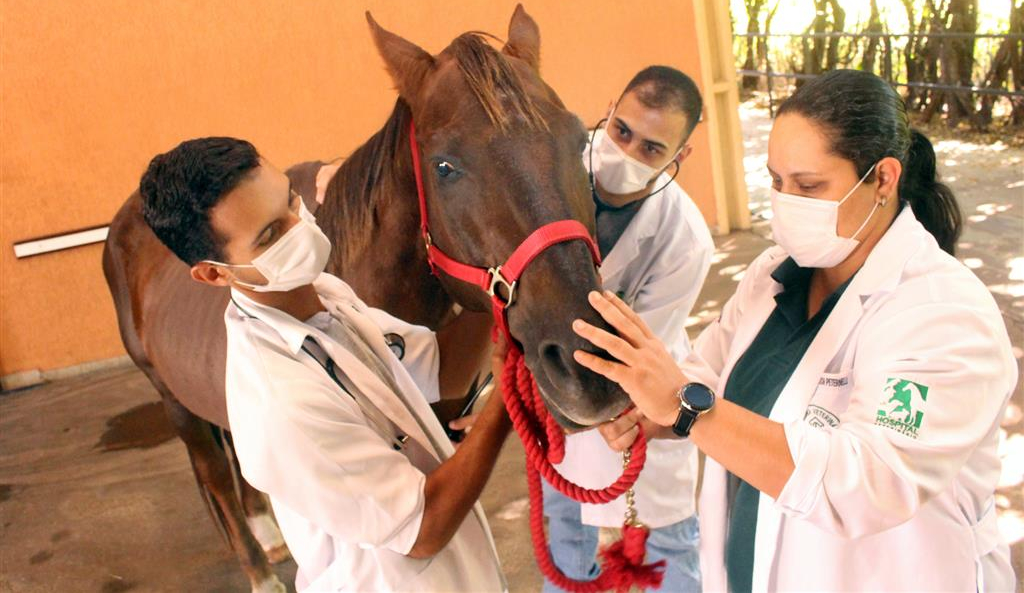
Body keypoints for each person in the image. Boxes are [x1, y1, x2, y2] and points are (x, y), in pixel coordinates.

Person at [572, 70, 1017, 592]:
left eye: (808, 186)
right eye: (777, 181)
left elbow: (870, 484)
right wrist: (651, 413)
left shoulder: (944, 315)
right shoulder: (770, 277)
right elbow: (704, 377)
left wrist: (682, 407)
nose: (786, 201)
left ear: (882, 179)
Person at [139, 137, 509, 592]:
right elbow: (425, 528)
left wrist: (501, 274)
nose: (301, 226)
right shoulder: (282, 403)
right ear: (215, 273)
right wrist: (505, 405)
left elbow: (442, 367)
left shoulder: (325, 295)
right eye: (271, 235)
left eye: (290, 201)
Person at [543, 66, 714, 591]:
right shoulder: (552, 169)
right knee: (566, 551)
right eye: (622, 132)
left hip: (632, 408)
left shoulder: (685, 239)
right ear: (611, 110)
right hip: (556, 412)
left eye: (651, 149)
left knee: (668, 556)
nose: (628, 152)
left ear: (678, 158)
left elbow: (636, 353)